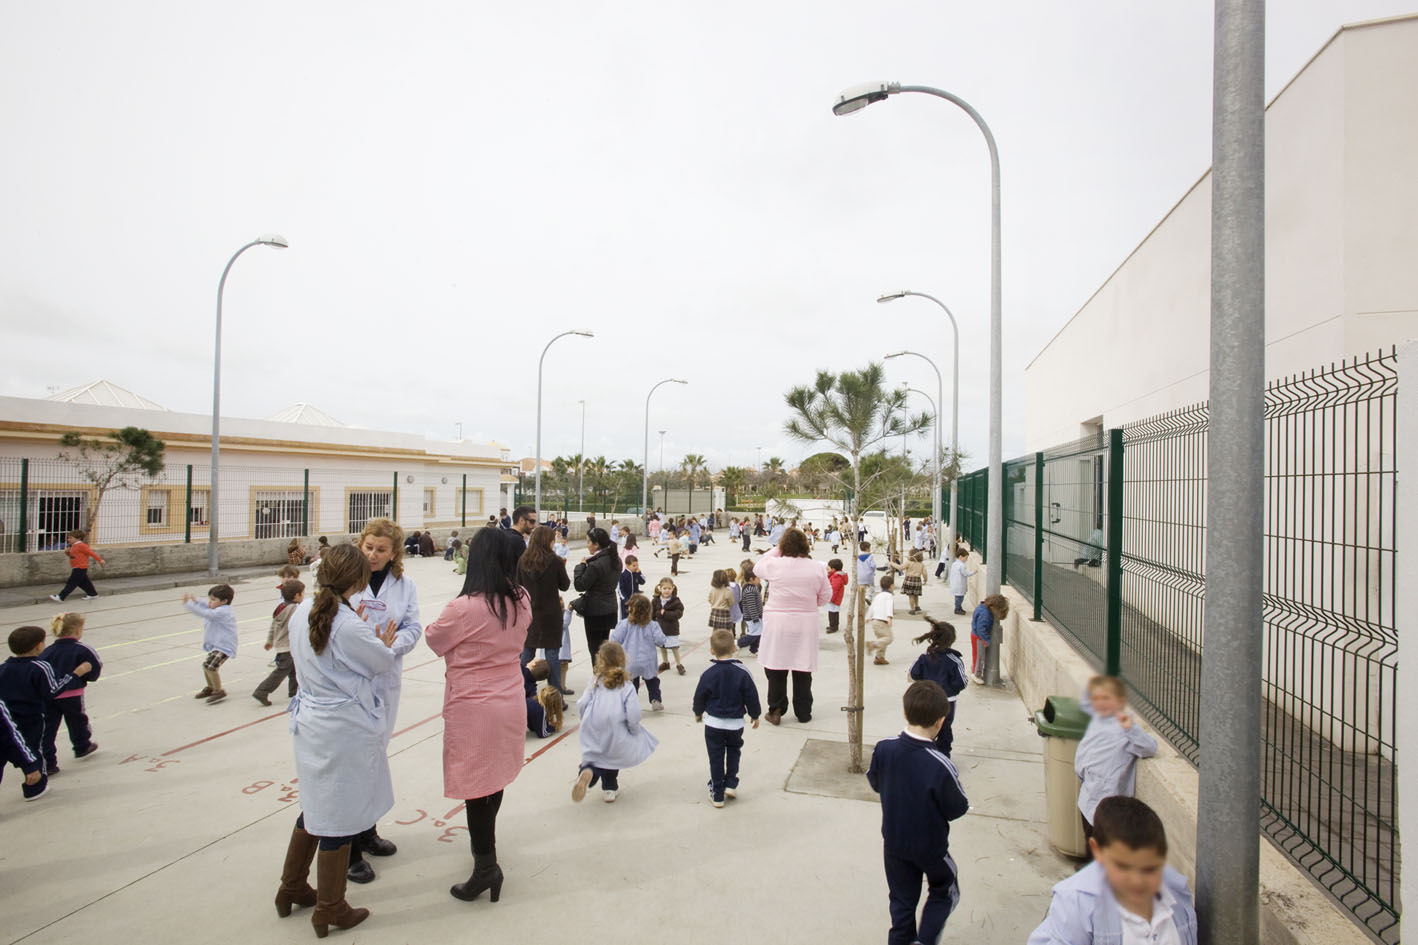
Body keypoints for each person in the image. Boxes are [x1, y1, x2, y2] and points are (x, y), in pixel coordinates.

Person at [277, 543, 395, 936]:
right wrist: (382, 642)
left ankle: (291, 886)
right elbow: (379, 663)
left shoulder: (302, 614)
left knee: (315, 803)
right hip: (342, 727)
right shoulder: (348, 625)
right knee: (340, 816)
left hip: (310, 722)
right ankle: (330, 905)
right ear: (358, 580)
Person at [425, 527, 533, 904]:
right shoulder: (521, 598)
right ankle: (486, 855)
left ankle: (486, 867)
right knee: (494, 779)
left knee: (475, 788)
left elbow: (434, 640)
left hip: (473, 706)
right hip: (509, 698)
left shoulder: (463, 607)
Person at [345, 518, 422, 884]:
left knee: (375, 758)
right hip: (350, 683)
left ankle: (367, 831)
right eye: (368, 547)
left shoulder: (404, 586)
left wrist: (393, 645)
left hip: (385, 680)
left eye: (381, 550)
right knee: (354, 764)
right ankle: (348, 849)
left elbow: (413, 627)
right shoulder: (345, 584)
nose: (373, 555)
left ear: (394, 554)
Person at [867, 681, 969, 945]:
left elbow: (875, 781)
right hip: (930, 847)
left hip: (894, 842)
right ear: (941, 721)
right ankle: (925, 940)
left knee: (901, 900)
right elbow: (957, 807)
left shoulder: (884, 748)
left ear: (905, 712)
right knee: (945, 888)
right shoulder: (941, 764)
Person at [1027, 796, 1197, 945]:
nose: (1137, 881)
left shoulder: (1177, 891)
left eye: (1149, 869)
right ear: (1097, 850)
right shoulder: (1077, 903)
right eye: (1123, 866)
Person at [1, 625, 92, 801]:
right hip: (31, 717)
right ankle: (34, 787)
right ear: (38, 646)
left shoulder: (2, 668)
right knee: (34, 748)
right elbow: (54, 689)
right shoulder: (40, 667)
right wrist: (76, 673)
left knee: (6, 749)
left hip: (6, 719)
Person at [754, 528, 831, 725]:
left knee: (776, 667)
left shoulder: (774, 564)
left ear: (783, 546)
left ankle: (776, 709)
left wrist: (777, 549)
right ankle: (804, 712)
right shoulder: (817, 567)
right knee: (802, 668)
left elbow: (757, 566)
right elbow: (825, 596)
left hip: (778, 623)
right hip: (805, 623)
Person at [571, 641, 659, 804]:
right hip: (615, 724)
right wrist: (634, 729)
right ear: (623, 660)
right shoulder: (626, 685)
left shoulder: (595, 680)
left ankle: (587, 772)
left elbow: (582, 703)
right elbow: (633, 713)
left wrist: (585, 719)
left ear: (600, 661)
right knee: (612, 755)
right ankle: (609, 788)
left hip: (594, 722)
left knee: (594, 754)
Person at [1075, 675, 1158, 847]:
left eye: (1106, 698)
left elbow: (1149, 747)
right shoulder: (1097, 723)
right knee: (1090, 841)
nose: (1101, 703)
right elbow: (1084, 751)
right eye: (1096, 699)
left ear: (1120, 701)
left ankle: (1100, 872)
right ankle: (1090, 868)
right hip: (1088, 796)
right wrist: (1081, 773)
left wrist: (1131, 729)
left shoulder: (1126, 729)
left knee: (1106, 845)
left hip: (1109, 805)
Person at [693, 629, 762, 808]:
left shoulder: (708, 672)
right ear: (734, 648)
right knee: (733, 752)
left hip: (714, 723)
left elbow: (700, 695)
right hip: (735, 724)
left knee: (716, 757)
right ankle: (730, 783)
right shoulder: (742, 671)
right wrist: (755, 715)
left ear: (711, 651)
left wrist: (698, 712)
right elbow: (751, 695)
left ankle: (717, 793)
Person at [39, 612, 101, 772]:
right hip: (72, 694)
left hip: (50, 695)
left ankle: (48, 762)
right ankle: (82, 746)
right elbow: (94, 666)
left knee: (48, 728)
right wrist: (88, 676)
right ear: (78, 630)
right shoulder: (82, 649)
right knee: (77, 721)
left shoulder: (47, 651)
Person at [519, 525, 573, 696]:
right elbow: (564, 585)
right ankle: (555, 694)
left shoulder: (523, 560)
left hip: (529, 613)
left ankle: (520, 687)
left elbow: (517, 585)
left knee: (527, 651)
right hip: (551, 613)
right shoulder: (555, 560)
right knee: (552, 654)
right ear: (548, 541)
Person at [908, 617, 969, 756]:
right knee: (944, 728)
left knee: (924, 726)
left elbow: (914, 673)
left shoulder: (925, 656)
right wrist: (952, 689)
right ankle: (943, 756)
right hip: (946, 701)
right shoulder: (954, 660)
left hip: (926, 699)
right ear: (952, 640)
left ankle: (923, 753)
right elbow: (961, 682)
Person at [610, 593, 670, 711]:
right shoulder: (653, 625)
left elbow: (614, 640)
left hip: (629, 660)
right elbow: (661, 640)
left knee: (632, 683)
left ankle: (631, 703)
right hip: (648, 660)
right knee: (652, 680)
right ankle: (655, 699)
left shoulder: (624, 624)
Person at [573, 527, 621, 665]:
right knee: (604, 647)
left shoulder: (595, 564)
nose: (587, 544)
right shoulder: (615, 559)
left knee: (595, 650)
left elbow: (580, 585)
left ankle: (599, 678)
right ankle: (606, 677)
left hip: (595, 610)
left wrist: (581, 566)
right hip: (610, 607)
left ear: (596, 544)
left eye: (588, 542)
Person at [253, 579, 304, 706]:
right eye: (302, 593)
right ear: (297, 595)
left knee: (294, 669)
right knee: (282, 670)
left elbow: (273, 626)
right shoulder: (295, 609)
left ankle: (294, 691)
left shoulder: (281, 607)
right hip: (288, 646)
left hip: (281, 645)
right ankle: (262, 691)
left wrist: (270, 640)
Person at [184, 584, 237, 704]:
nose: (210, 602)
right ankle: (211, 687)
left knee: (211, 667)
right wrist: (197, 600)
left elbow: (205, 613)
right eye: (210, 599)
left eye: (213, 599)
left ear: (224, 601)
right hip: (216, 645)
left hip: (224, 646)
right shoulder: (217, 607)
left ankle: (219, 691)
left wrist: (189, 604)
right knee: (206, 665)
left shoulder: (222, 612)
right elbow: (207, 605)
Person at [49, 529, 104, 603]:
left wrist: (100, 560)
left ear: (78, 538)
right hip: (76, 567)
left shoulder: (82, 545)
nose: (68, 539)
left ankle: (61, 596)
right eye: (68, 538)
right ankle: (93, 594)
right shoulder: (73, 546)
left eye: (71, 538)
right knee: (83, 582)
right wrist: (67, 553)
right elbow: (73, 557)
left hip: (80, 567)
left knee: (71, 582)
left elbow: (91, 553)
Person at [969, 594, 1008, 684]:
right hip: (979, 638)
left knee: (976, 655)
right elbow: (981, 628)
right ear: (993, 607)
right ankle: (977, 675)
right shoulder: (985, 614)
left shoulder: (981, 607)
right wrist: (986, 639)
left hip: (975, 635)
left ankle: (974, 669)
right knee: (980, 657)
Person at [651, 578, 686, 674]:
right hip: (660, 628)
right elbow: (652, 614)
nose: (667, 590)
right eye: (664, 588)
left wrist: (665, 614)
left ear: (673, 588)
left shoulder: (676, 601)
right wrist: (658, 614)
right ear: (660, 589)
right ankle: (665, 662)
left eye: (669, 588)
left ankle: (679, 664)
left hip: (671, 628)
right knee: (662, 646)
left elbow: (678, 614)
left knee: (674, 646)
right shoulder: (656, 601)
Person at [525, 664, 564, 738]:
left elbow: (531, 726)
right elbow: (543, 733)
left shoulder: (533, 700)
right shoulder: (540, 708)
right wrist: (554, 727)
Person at [867, 575, 897, 665]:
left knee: (882, 638)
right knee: (888, 638)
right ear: (891, 586)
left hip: (875, 620)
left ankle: (879, 657)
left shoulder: (878, 595)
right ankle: (873, 644)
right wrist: (889, 617)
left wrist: (868, 617)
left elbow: (872, 607)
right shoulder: (889, 596)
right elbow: (889, 607)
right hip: (882, 620)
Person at [736, 563, 763, 655]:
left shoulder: (753, 587)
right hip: (752, 618)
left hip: (756, 616)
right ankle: (737, 643)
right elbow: (751, 606)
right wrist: (755, 619)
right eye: (758, 578)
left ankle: (754, 649)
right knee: (753, 635)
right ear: (751, 579)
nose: (760, 580)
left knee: (758, 633)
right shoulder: (749, 591)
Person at [893, 549, 926, 615]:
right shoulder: (921, 564)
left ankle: (912, 609)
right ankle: (917, 606)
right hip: (917, 580)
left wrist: (892, 563)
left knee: (911, 596)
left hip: (909, 580)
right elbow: (925, 573)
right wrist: (925, 580)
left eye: (908, 554)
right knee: (916, 595)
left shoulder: (908, 562)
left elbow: (900, 567)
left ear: (911, 556)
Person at [617, 555, 646, 620]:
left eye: (637, 565)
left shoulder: (636, 573)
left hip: (636, 601)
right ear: (627, 565)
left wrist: (639, 573)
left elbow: (643, 581)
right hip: (626, 602)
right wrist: (625, 600)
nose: (636, 567)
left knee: (636, 617)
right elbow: (620, 590)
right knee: (625, 618)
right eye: (634, 566)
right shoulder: (622, 575)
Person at [707, 569, 735, 635]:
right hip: (724, 612)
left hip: (714, 611)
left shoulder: (712, 590)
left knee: (715, 629)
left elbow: (709, 599)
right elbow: (731, 603)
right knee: (728, 629)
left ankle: (714, 642)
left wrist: (714, 603)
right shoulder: (728, 591)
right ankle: (730, 642)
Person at [947, 550, 975, 615]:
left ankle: (959, 608)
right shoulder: (962, 565)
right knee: (959, 598)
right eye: (966, 558)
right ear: (960, 557)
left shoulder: (954, 564)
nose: (966, 560)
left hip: (955, 584)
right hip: (959, 585)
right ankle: (957, 609)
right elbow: (965, 574)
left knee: (958, 598)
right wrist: (973, 572)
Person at [825, 558, 848, 634]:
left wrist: (831, 598)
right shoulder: (837, 575)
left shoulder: (836, 577)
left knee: (832, 613)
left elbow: (834, 590)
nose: (827, 569)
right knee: (834, 612)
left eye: (828, 568)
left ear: (833, 569)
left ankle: (833, 627)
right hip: (836, 598)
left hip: (834, 598)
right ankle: (834, 626)